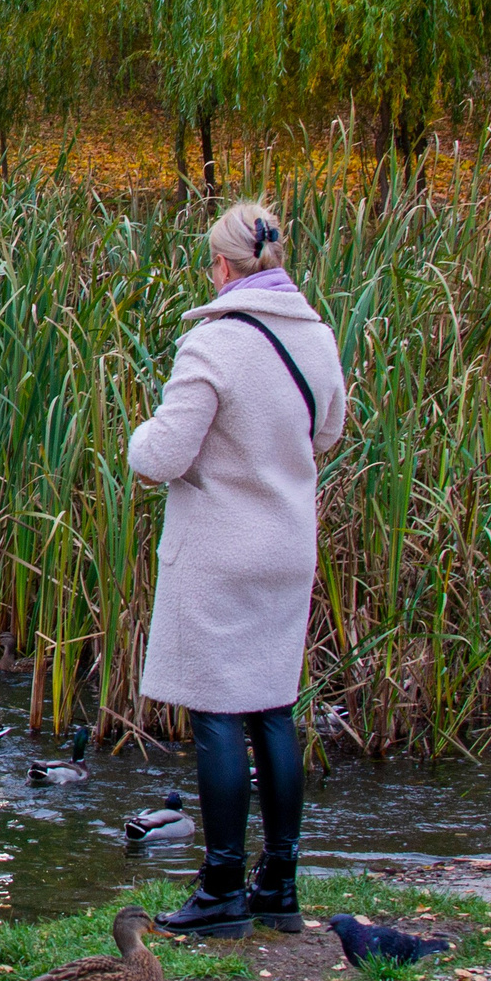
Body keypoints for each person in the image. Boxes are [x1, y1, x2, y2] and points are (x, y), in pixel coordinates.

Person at [127, 201, 348, 937]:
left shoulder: (213, 345)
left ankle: (221, 887)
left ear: (221, 266)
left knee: (219, 711)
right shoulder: (316, 336)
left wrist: (138, 435)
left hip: (220, 551)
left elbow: (162, 458)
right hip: (287, 546)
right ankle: (278, 883)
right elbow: (329, 430)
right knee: (273, 708)